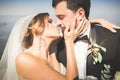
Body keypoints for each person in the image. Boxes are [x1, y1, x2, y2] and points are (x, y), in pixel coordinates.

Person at [0, 12, 89, 80]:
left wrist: (99, 22)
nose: (56, 24)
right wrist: (69, 42)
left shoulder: (54, 52)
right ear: (37, 29)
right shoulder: (24, 59)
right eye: (50, 22)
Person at [52, 0, 120, 79]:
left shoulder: (114, 38)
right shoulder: (55, 44)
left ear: (80, 14)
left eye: (61, 17)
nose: (57, 23)